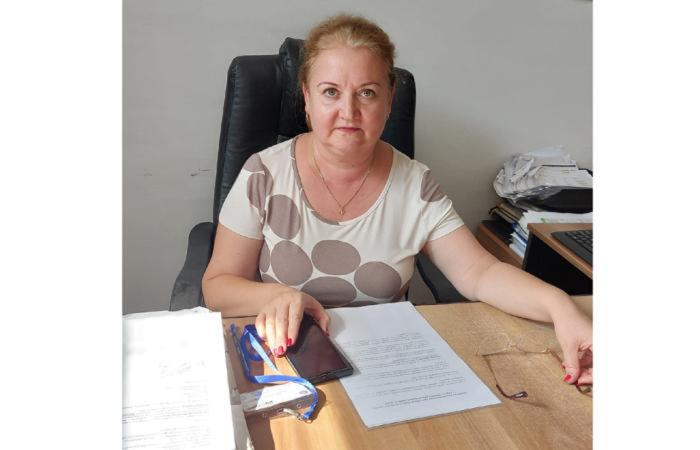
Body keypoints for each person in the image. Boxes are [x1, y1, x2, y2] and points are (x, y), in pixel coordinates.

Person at [202, 14, 592, 387]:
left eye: (367, 93)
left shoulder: (415, 184)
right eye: (330, 92)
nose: (348, 111)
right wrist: (276, 296)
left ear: (389, 101)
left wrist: (560, 307)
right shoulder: (264, 173)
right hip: (287, 359)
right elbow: (217, 286)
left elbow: (480, 273)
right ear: (307, 98)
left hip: (386, 366)